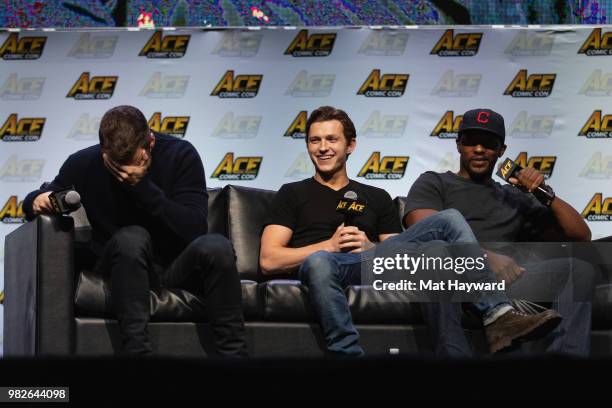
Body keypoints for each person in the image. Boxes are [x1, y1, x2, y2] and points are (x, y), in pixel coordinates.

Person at [259, 105, 560, 357]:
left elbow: (405, 259)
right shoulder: (292, 193)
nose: (323, 148)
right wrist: (328, 245)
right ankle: (347, 355)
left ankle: (498, 315)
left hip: (369, 264)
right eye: (315, 141)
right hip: (323, 265)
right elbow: (269, 260)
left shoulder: (376, 196)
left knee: (450, 218)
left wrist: (370, 248)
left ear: (350, 145)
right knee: (319, 262)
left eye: (331, 139)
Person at [23, 105, 247, 357]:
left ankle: (235, 360)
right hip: (122, 264)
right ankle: (137, 360)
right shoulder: (84, 162)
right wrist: (35, 201)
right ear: (103, 152)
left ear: (149, 142)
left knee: (216, 245)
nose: (124, 173)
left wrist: (143, 188)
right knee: (133, 237)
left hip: (176, 266)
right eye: (115, 166)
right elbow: (42, 197)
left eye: (133, 163)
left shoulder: (180, 154)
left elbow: (194, 228)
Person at [404, 108, 597, 357]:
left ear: (502, 150)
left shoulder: (514, 196)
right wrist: (484, 258)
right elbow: (424, 227)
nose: (479, 149)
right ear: (459, 145)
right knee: (434, 250)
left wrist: (543, 193)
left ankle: (564, 364)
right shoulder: (435, 182)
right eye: (471, 142)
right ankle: (453, 358)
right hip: (453, 280)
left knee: (578, 269)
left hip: (508, 282)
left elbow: (581, 235)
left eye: (488, 144)